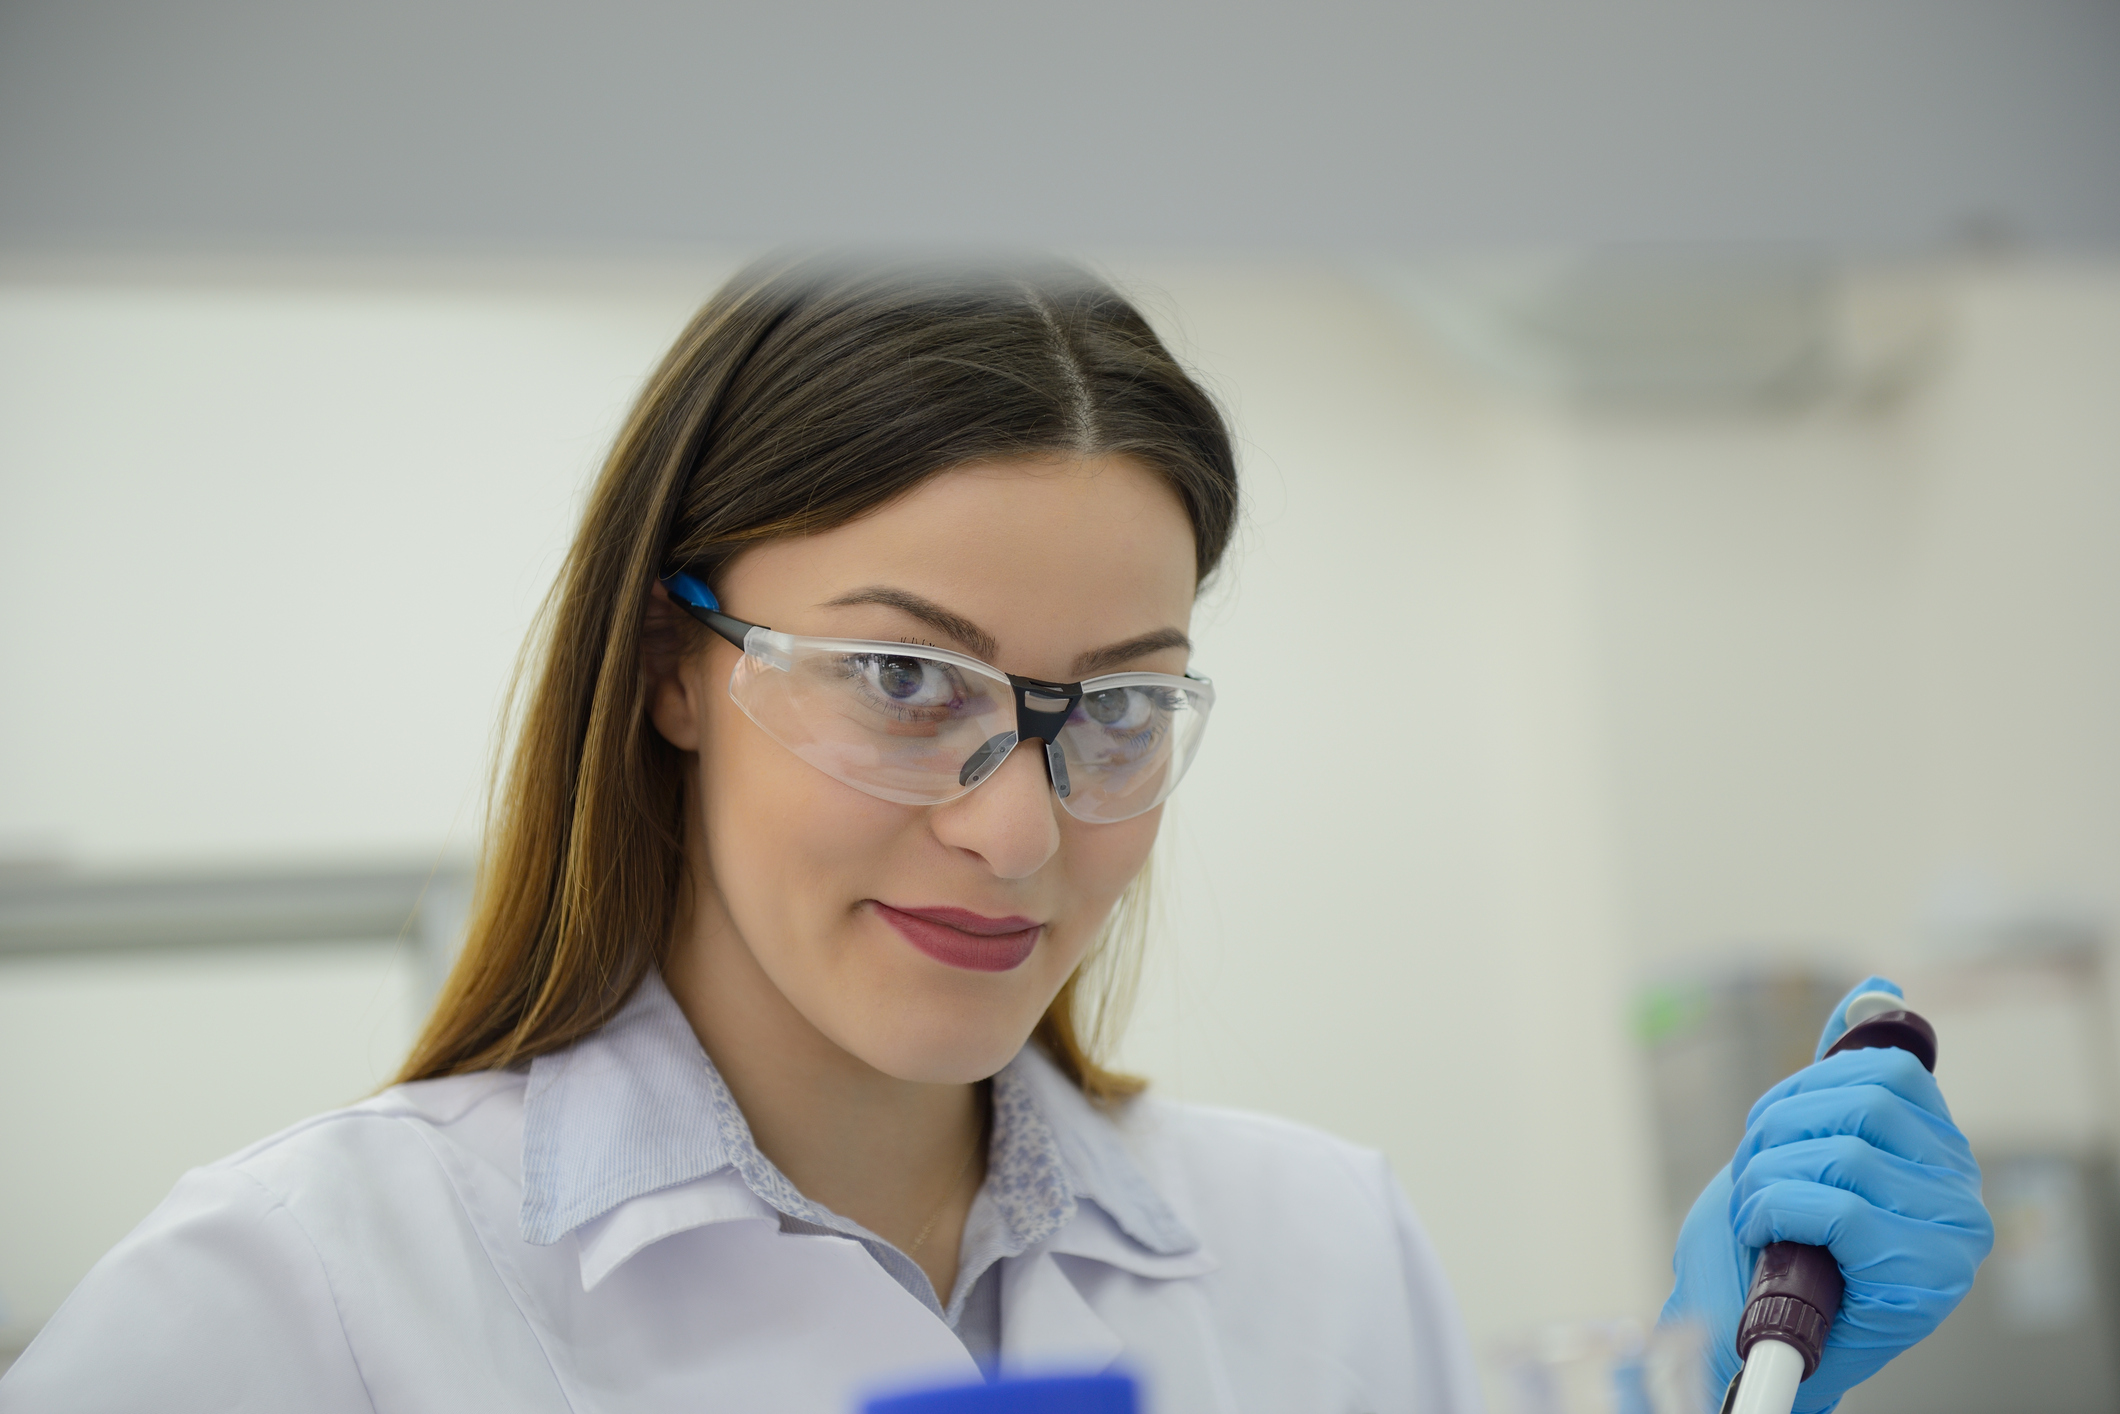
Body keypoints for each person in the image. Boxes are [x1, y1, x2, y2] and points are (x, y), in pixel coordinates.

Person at [0, 256, 1989, 1414]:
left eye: (1112, 702)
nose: (1020, 826)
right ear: (670, 666)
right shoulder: (297, 1298)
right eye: (900, 679)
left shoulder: (1311, 1250)